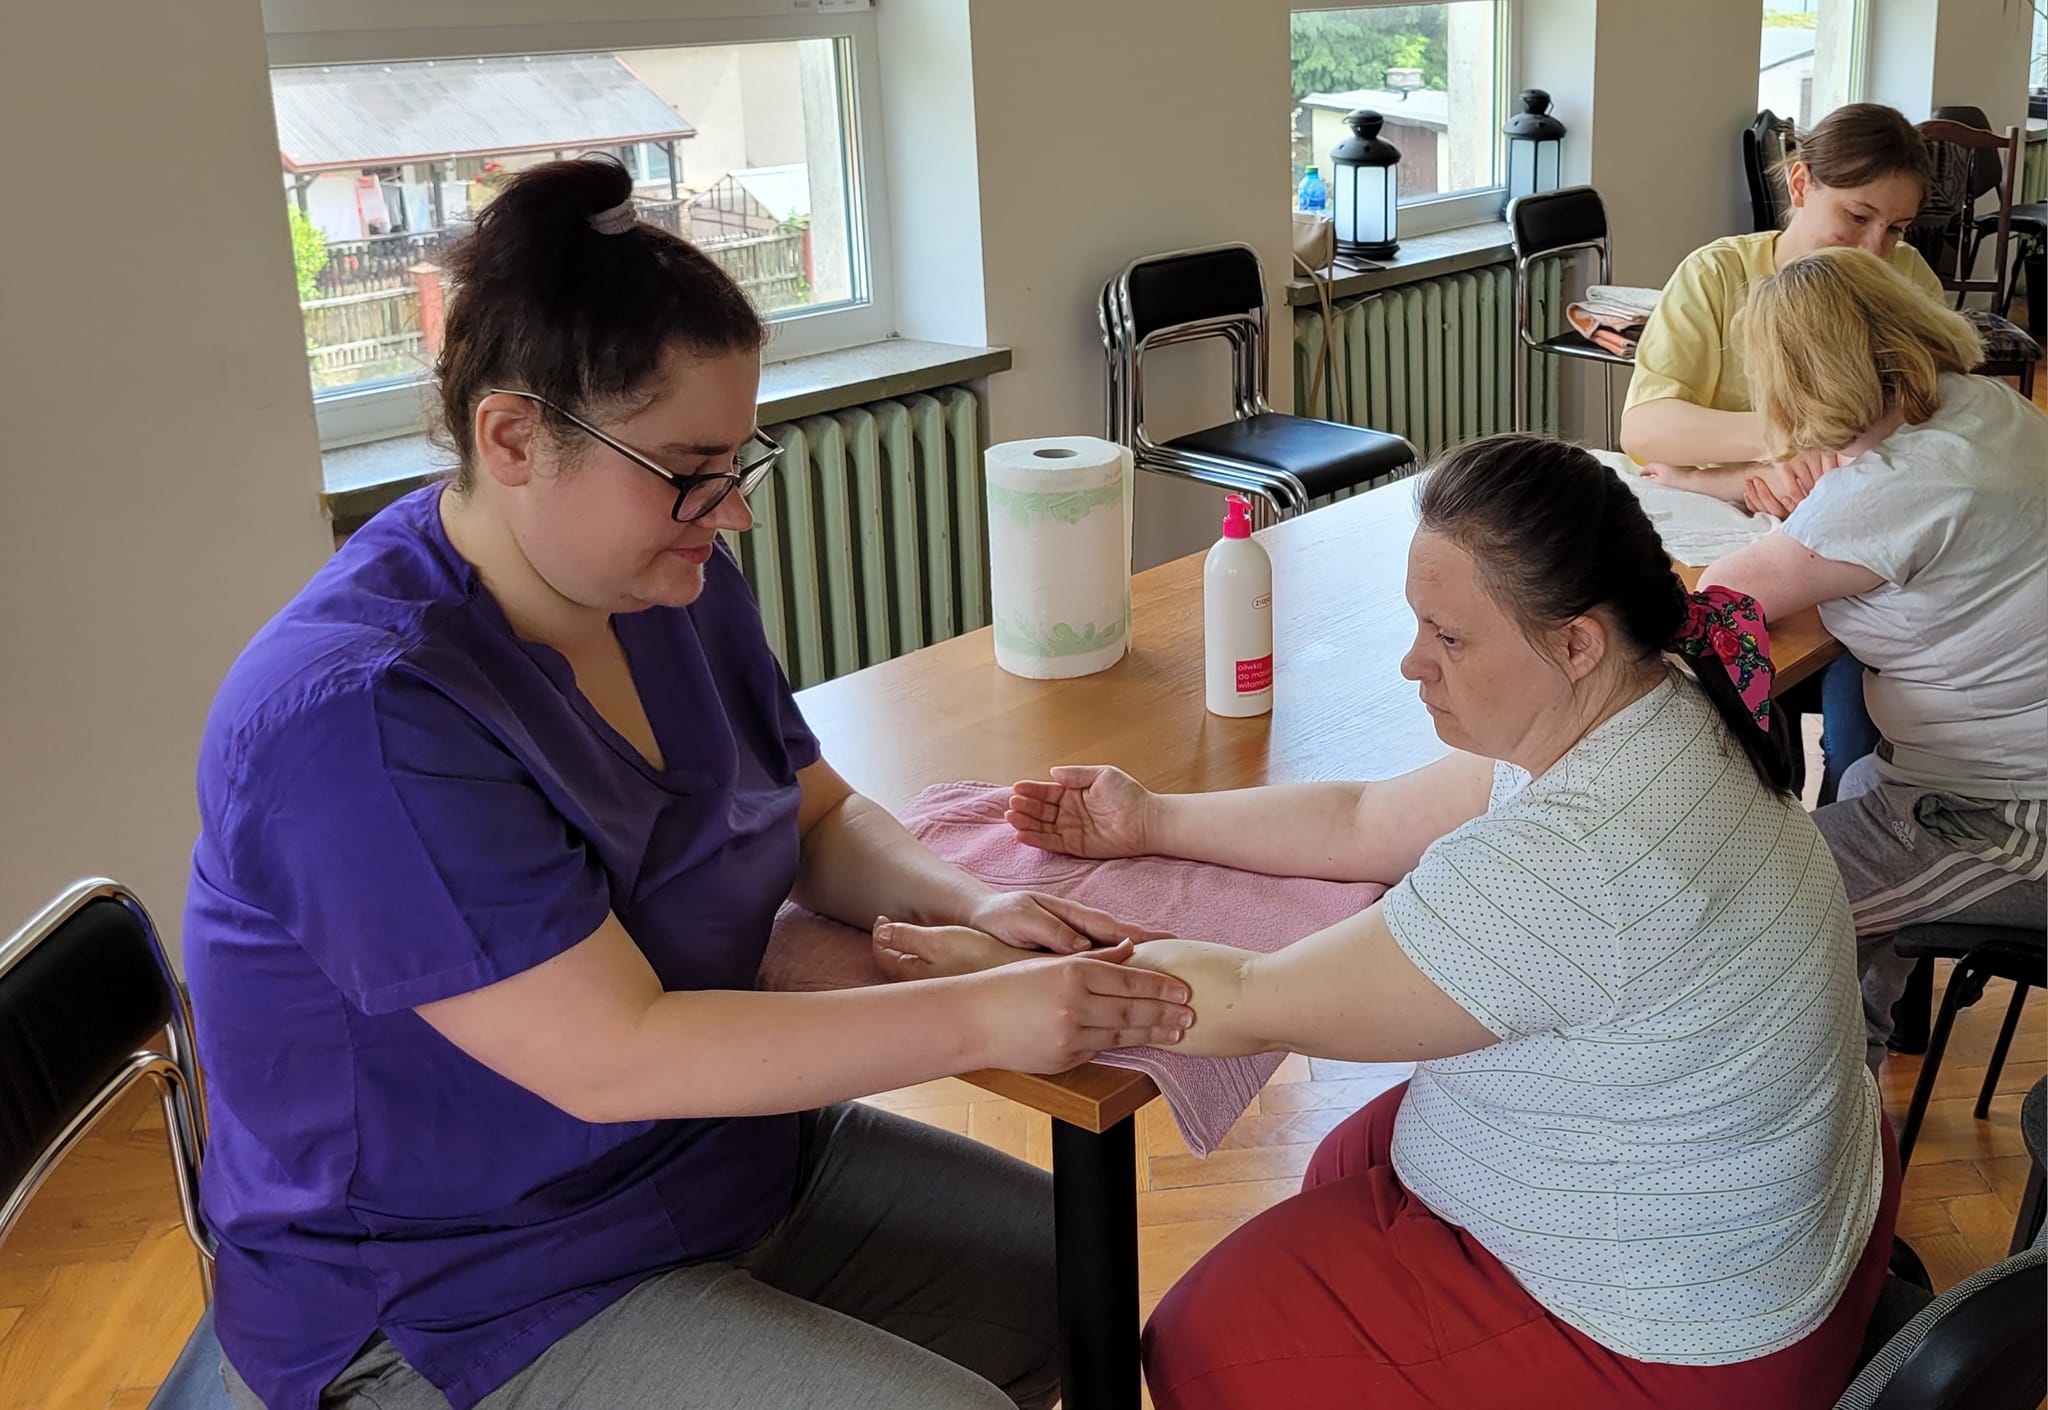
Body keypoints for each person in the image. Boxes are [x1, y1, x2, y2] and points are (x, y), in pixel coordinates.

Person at [182, 157, 1195, 1410]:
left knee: (1079, 1281)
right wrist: (990, 1015)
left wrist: (969, 903)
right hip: (463, 1284)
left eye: (736, 463)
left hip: (703, 1160)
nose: (731, 515)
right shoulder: (360, 721)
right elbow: (614, 1058)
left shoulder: (665, 581)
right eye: (685, 469)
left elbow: (815, 814)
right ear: (513, 438)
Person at [878, 435, 1894, 1410]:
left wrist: (1002, 968)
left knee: (1196, 1341)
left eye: (1449, 638)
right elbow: (1366, 820)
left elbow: (1238, 1000)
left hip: (1686, 1345)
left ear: (1576, 642)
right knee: (1346, 1162)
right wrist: (1148, 821)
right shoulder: (1658, 694)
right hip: (1781, 1225)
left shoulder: (1578, 857)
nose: (1414, 664)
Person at [1699, 246, 2048, 1071]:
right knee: (1857, 788)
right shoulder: (1986, 407)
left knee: (1755, 909)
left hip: (2012, 821)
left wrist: (1790, 487)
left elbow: (1723, 591)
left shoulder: (1894, 486)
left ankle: (1829, 1096)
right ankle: (1852, 1063)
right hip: (1980, 780)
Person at [1619, 102, 1945, 806]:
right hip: (1730, 538)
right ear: (1800, 185)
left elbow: (1928, 436)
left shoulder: (1907, 279)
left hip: (1850, 550)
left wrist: (1762, 466)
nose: (1875, 250)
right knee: (1728, 719)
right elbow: (1645, 426)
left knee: (1859, 722)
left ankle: (1840, 831)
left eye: (1896, 228)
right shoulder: (1715, 276)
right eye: (1857, 216)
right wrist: (1765, 462)